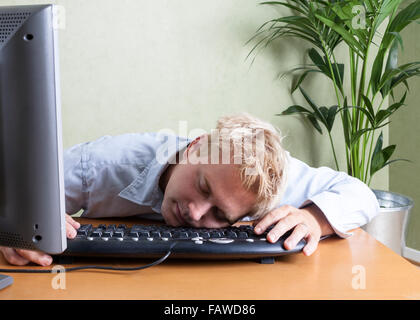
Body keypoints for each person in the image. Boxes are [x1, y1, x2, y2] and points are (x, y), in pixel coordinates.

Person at [0, 113, 379, 266]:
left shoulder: (265, 182)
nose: (196, 213)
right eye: (202, 186)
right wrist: (11, 222)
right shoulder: (104, 162)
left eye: (221, 215)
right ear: (197, 146)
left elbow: (362, 194)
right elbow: (10, 187)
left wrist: (313, 217)